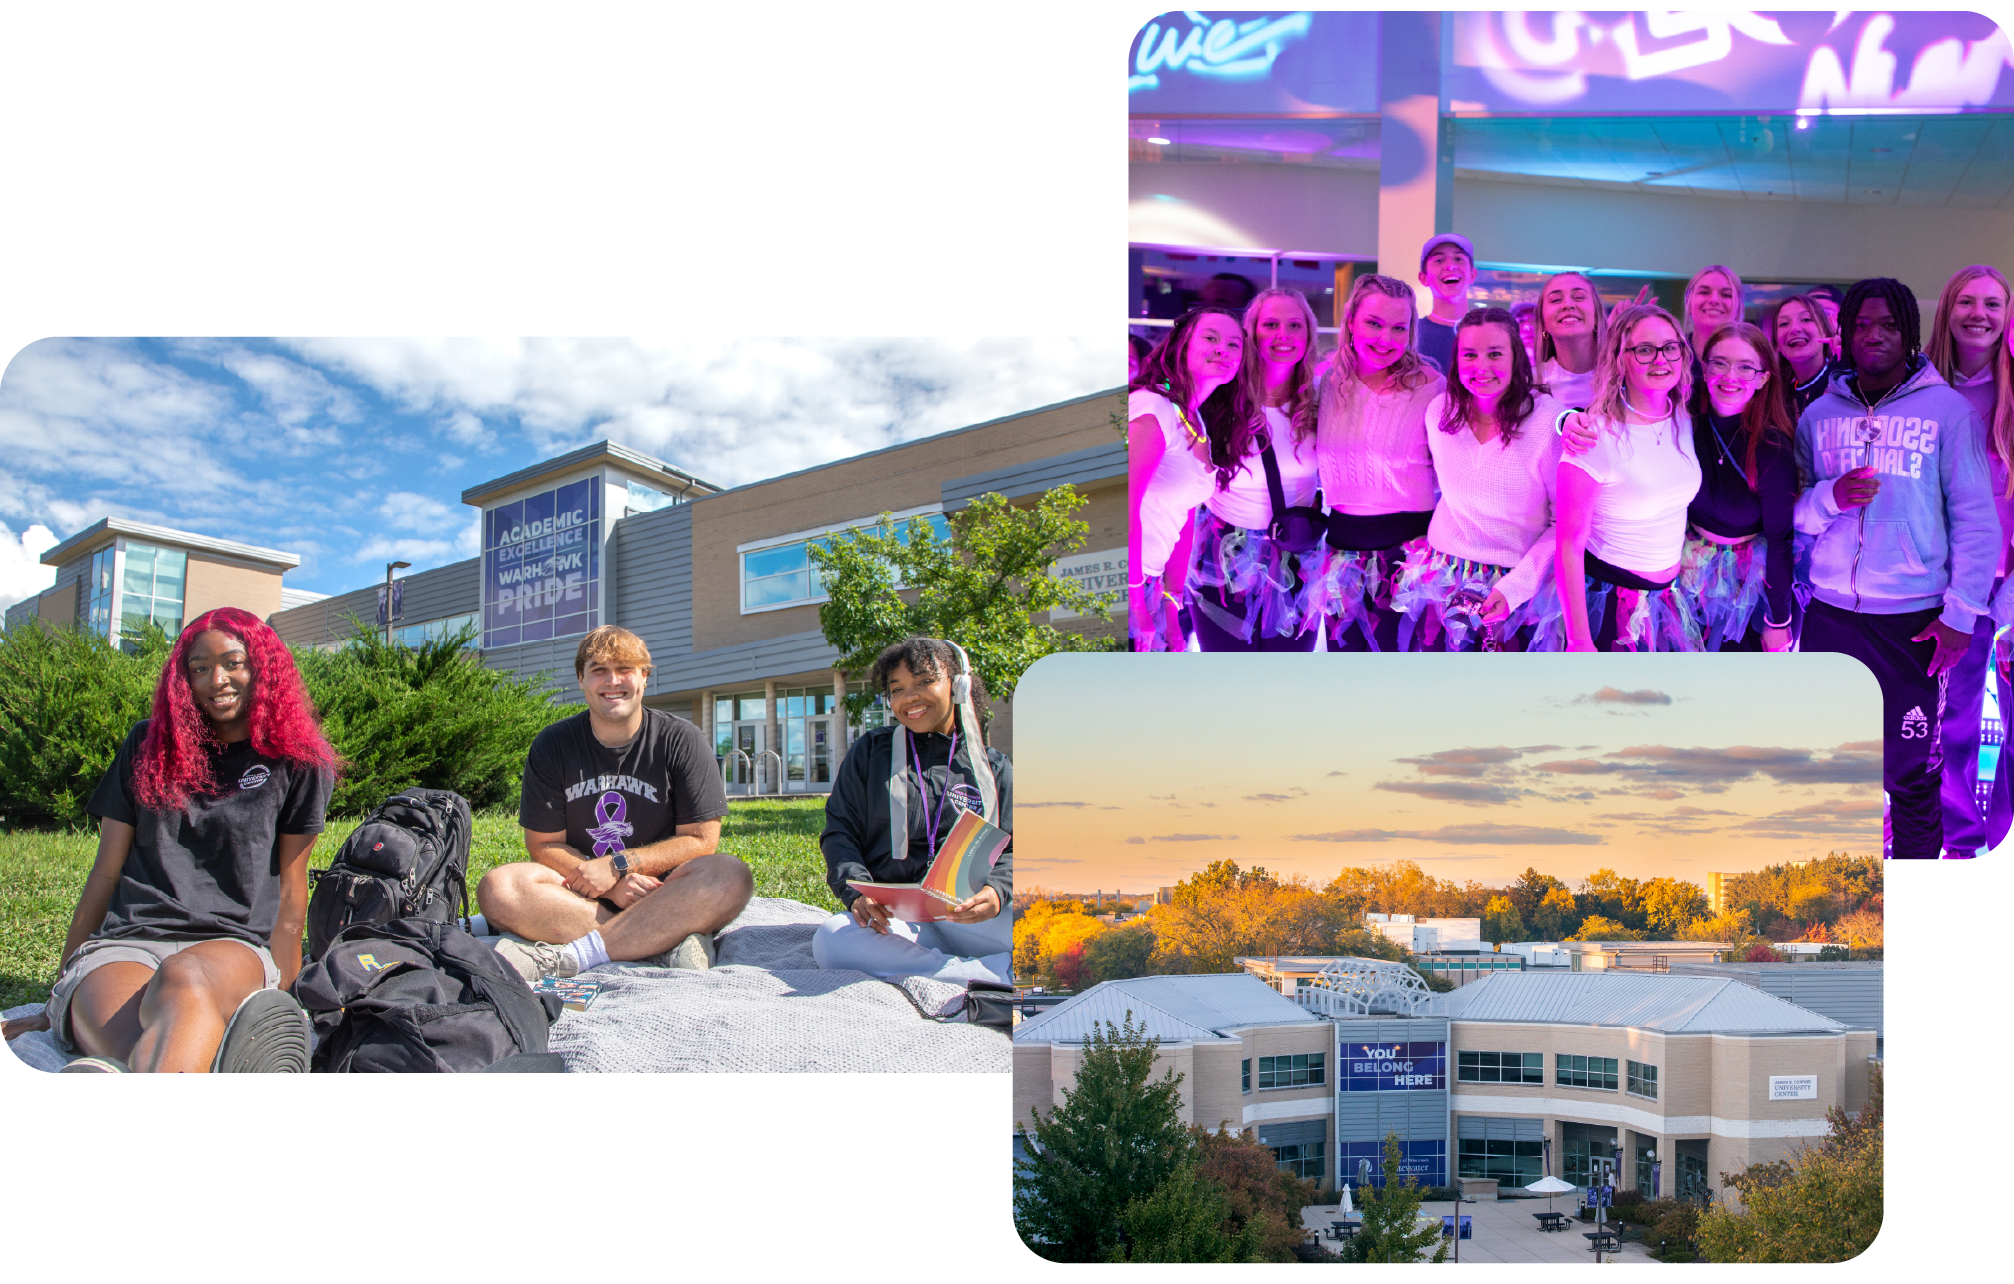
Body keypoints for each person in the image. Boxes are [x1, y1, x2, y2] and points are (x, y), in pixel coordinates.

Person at [1, 608, 336, 1071]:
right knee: (129, 1044)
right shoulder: (146, 746)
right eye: (199, 668)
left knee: (187, 978)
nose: (217, 679)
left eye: (233, 662)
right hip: (127, 941)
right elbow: (105, 872)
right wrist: (57, 995)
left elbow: (290, 894)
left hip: (230, 944)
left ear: (263, 667)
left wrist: (287, 995)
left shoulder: (296, 762)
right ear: (184, 680)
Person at [1794, 278, 1999, 860]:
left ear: (1909, 334)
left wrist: (1961, 614)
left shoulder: (1948, 412)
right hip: (1831, 616)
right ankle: (1840, 900)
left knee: (1910, 776)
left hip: (1913, 622)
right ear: (1845, 335)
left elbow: (1977, 521)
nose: (1875, 336)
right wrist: (1830, 497)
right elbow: (1798, 516)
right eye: (1862, 325)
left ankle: (1915, 909)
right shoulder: (1818, 415)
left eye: (1888, 325)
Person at [479, 626, 754, 980]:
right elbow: (543, 845)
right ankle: (660, 944)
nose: (613, 681)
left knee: (731, 876)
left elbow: (703, 841)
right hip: (581, 896)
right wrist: (608, 883)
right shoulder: (553, 745)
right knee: (499, 887)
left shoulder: (682, 739)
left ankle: (574, 955)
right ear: (581, 679)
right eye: (598, 670)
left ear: (644, 677)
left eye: (625, 668)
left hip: (664, 893)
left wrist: (621, 866)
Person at [814, 638, 1012, 987]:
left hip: (970, 917)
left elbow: (1017, 850)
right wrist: (858, 893)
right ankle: (987, 975)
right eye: (898, 689)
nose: (909, 697)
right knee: (831, 940)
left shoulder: (995, 769)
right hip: (895, 921)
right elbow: (839, 833)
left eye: (923, 682)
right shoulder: (870, 753)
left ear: (958, 685)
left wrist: (997, 891)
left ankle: (949, 969)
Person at [1394, 306, 1565, 651]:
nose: (1481, 366)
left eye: (1495, 354)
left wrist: (1515, 588)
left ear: (1517, 357)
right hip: (1441, 581)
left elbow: (1566, 522)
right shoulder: (1438, 412)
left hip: (1518, 589)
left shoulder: (1549, 421)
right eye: (1469, 354)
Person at [1552, 302, 1704, 652]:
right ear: (1620, 359)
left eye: (1670, 347)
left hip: (1667, 600)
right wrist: (1579, 639)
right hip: (1609, 603)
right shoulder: (1594, 435)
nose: (1661, 359)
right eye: (1645, 350)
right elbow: (1568, 545)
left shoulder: (1681, 416)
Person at [1308, 272, 1446, 650]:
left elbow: (1458, 475)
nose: (1385, 339)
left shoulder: (1431, 387)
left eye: (1398, 328)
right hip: (1340, 547)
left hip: (1411, 551)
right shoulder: (1326, 379)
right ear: (1351, 321)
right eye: (1373, 323)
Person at [1925, 265, 2013, 857]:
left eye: (1993, 304)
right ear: (1948, 310)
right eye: (1967, 302)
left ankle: (1983, 840)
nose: (1979, 313)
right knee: (1941, 727)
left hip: (2002, 589)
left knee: (1990, 726)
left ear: (2006, 319)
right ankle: (1946, 841)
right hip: (1929, 588)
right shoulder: (1920, 388)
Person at [1185, 287, 1324, 650]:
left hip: (1297, 555)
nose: (1284, 335)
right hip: (1222, 556)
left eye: (1295, 325)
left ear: (1308, 335)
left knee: (1287, 687)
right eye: (1271, 324)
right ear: (1251, 333)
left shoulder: (1322, 400)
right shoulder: (1219, 397)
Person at [1128, 306, 1252, 651]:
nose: (1222, 350)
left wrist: (1170, 611)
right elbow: (1127, 504)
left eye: (1233, 345)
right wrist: (1136, 603)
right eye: (1210, 338)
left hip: (1149, 582)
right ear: (1182, 345)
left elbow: (1184, 517)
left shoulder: (1193, 418)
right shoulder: (1151, 407)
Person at [1677, 321, 1797, 651]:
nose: (1731, 376)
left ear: (1763, 378)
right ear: (1705, 367)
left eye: (1746, 368)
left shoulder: (1771, 447)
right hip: (1681, 570)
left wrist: (1778, 620)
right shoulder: (1682, 423)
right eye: (1720, 363)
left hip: (1746, 585)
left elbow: (1780, 539)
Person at [1533, 271, 1606, 409]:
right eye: (1555, 300)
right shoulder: (1530, 384)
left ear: (1597, 315)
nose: (1568, 305)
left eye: (1578, 297)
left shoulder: (1623, 380)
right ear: (1543, 323)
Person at [1415, 233, 1477, 373]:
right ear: (1423, 278)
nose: (1450, 266)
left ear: (1473, 274)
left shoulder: (1491, 332)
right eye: (1439, 260)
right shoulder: (1411, 334)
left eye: (1458, 258)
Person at [1773, 293, 1842, 415]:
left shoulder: (1842, 379)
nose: (1795, 329)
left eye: (1806, 319)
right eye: (1784, 323)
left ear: (1825, 332)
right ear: (1777, 343)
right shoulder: (1777, 399)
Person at [1683, 265, 1744, 354]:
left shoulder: (1751, 358)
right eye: (1704, 292)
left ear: (1739, 308)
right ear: (1687, 302)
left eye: (1726, 295)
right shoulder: (1670, 352)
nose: (1714, 300)